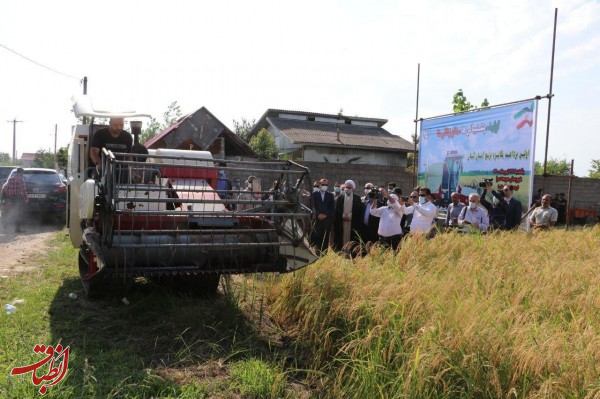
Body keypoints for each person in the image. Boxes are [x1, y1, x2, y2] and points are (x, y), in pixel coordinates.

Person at [333, 180, 364, 251]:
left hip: (353, 223)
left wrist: (351, 216)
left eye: (349, 187)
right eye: (346, 187)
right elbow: (337, 211)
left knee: (352, 240)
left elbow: (359, 212)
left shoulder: (357, 198)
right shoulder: (340, 198)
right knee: (341, 239)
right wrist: (343, 215)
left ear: (353, 188)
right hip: (342, 222)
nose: (347, 189)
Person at [310, 178, 335, 252]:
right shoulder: (314, 195)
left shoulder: (330, 195)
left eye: (326, 185)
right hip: (317, 220)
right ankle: (316, 253)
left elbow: (332, 208)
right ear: (319, 185)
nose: (324, 186)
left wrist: (326, 215)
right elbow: (312, 206)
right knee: (317, 237)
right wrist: (318, 214)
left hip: (326, 221)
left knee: (325, 238)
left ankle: (324, 254)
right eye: (323, 184)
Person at [0, 168, 28, 233]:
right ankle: (17, 229)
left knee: (7, 212)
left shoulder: (10, 179)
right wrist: (26, 198)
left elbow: (4, 188)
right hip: (17, 199)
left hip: (9, 198)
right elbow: (24, 190)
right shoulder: (21, 180)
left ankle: (5, 226)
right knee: (18, 213)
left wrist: (4, 198)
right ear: (21, 173)